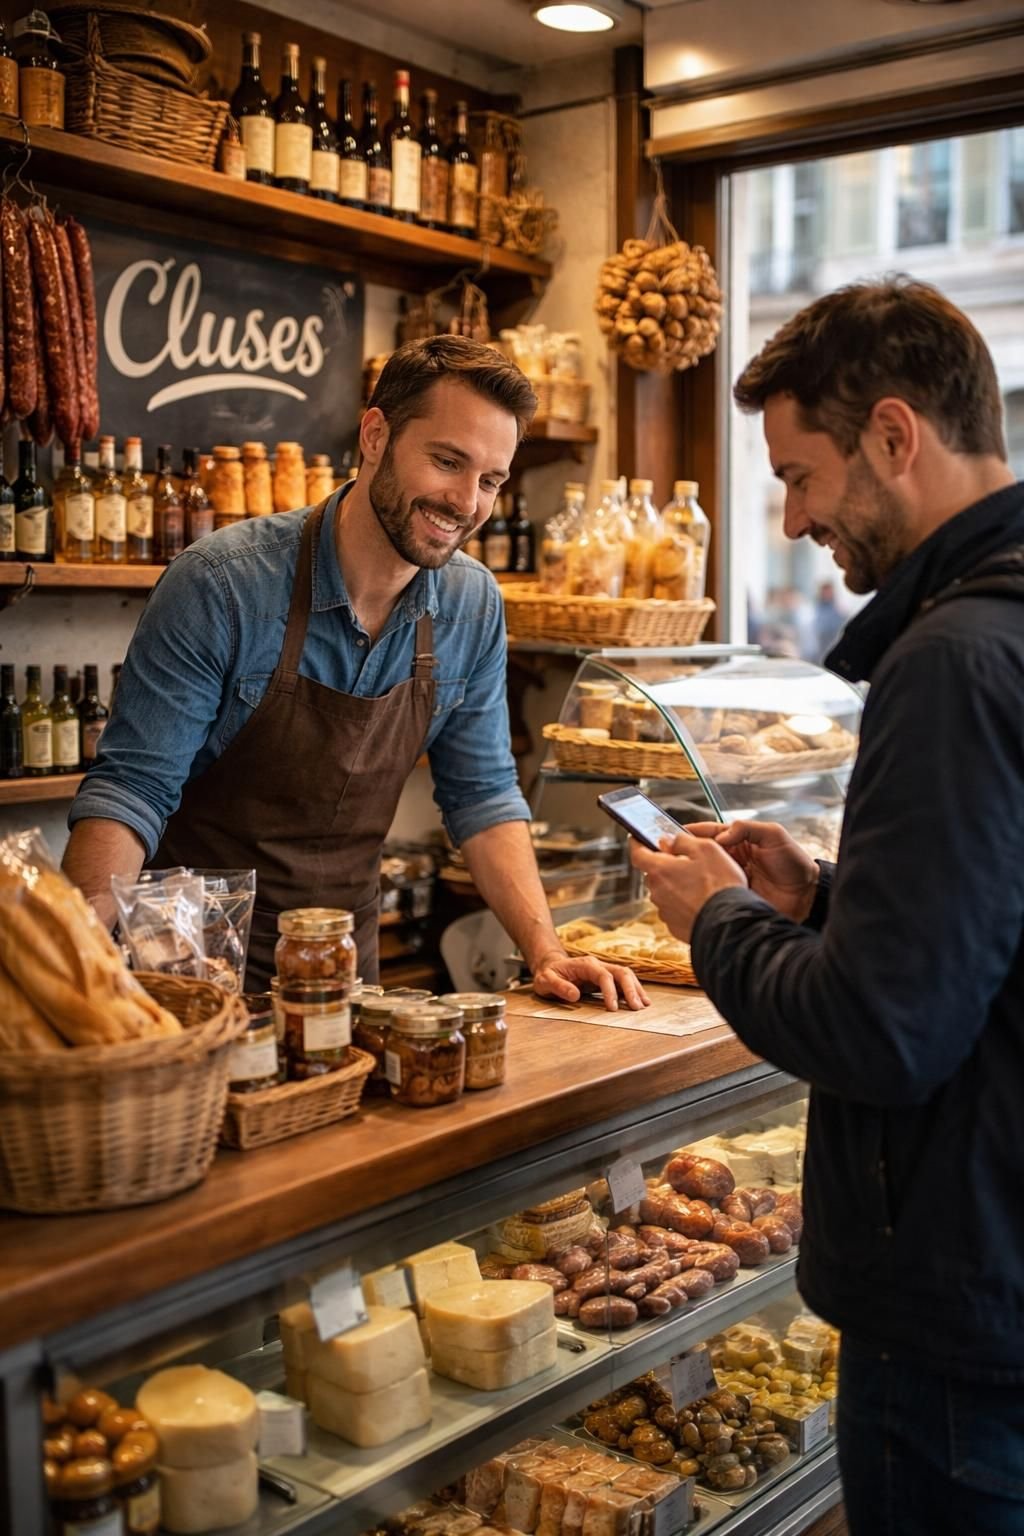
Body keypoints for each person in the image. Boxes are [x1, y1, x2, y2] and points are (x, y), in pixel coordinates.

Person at [630, 278, 1024, 1535]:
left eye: (800, 476)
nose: (794, 521)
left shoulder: (953, 659)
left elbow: (885, 1034)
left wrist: (716, 920)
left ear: (895, 437)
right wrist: (825, 897)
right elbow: (986, 921)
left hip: (961, 1311)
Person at [64, 336, 646, 1012]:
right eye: (447, 461)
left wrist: (545, 950)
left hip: (343, 973)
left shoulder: (471, 604)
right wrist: (77, 964)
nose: (466, 502)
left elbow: (483, 799)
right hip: (190, 973)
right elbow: (131, 793)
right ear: (376, 435)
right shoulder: (222, 584)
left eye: (490, 480)